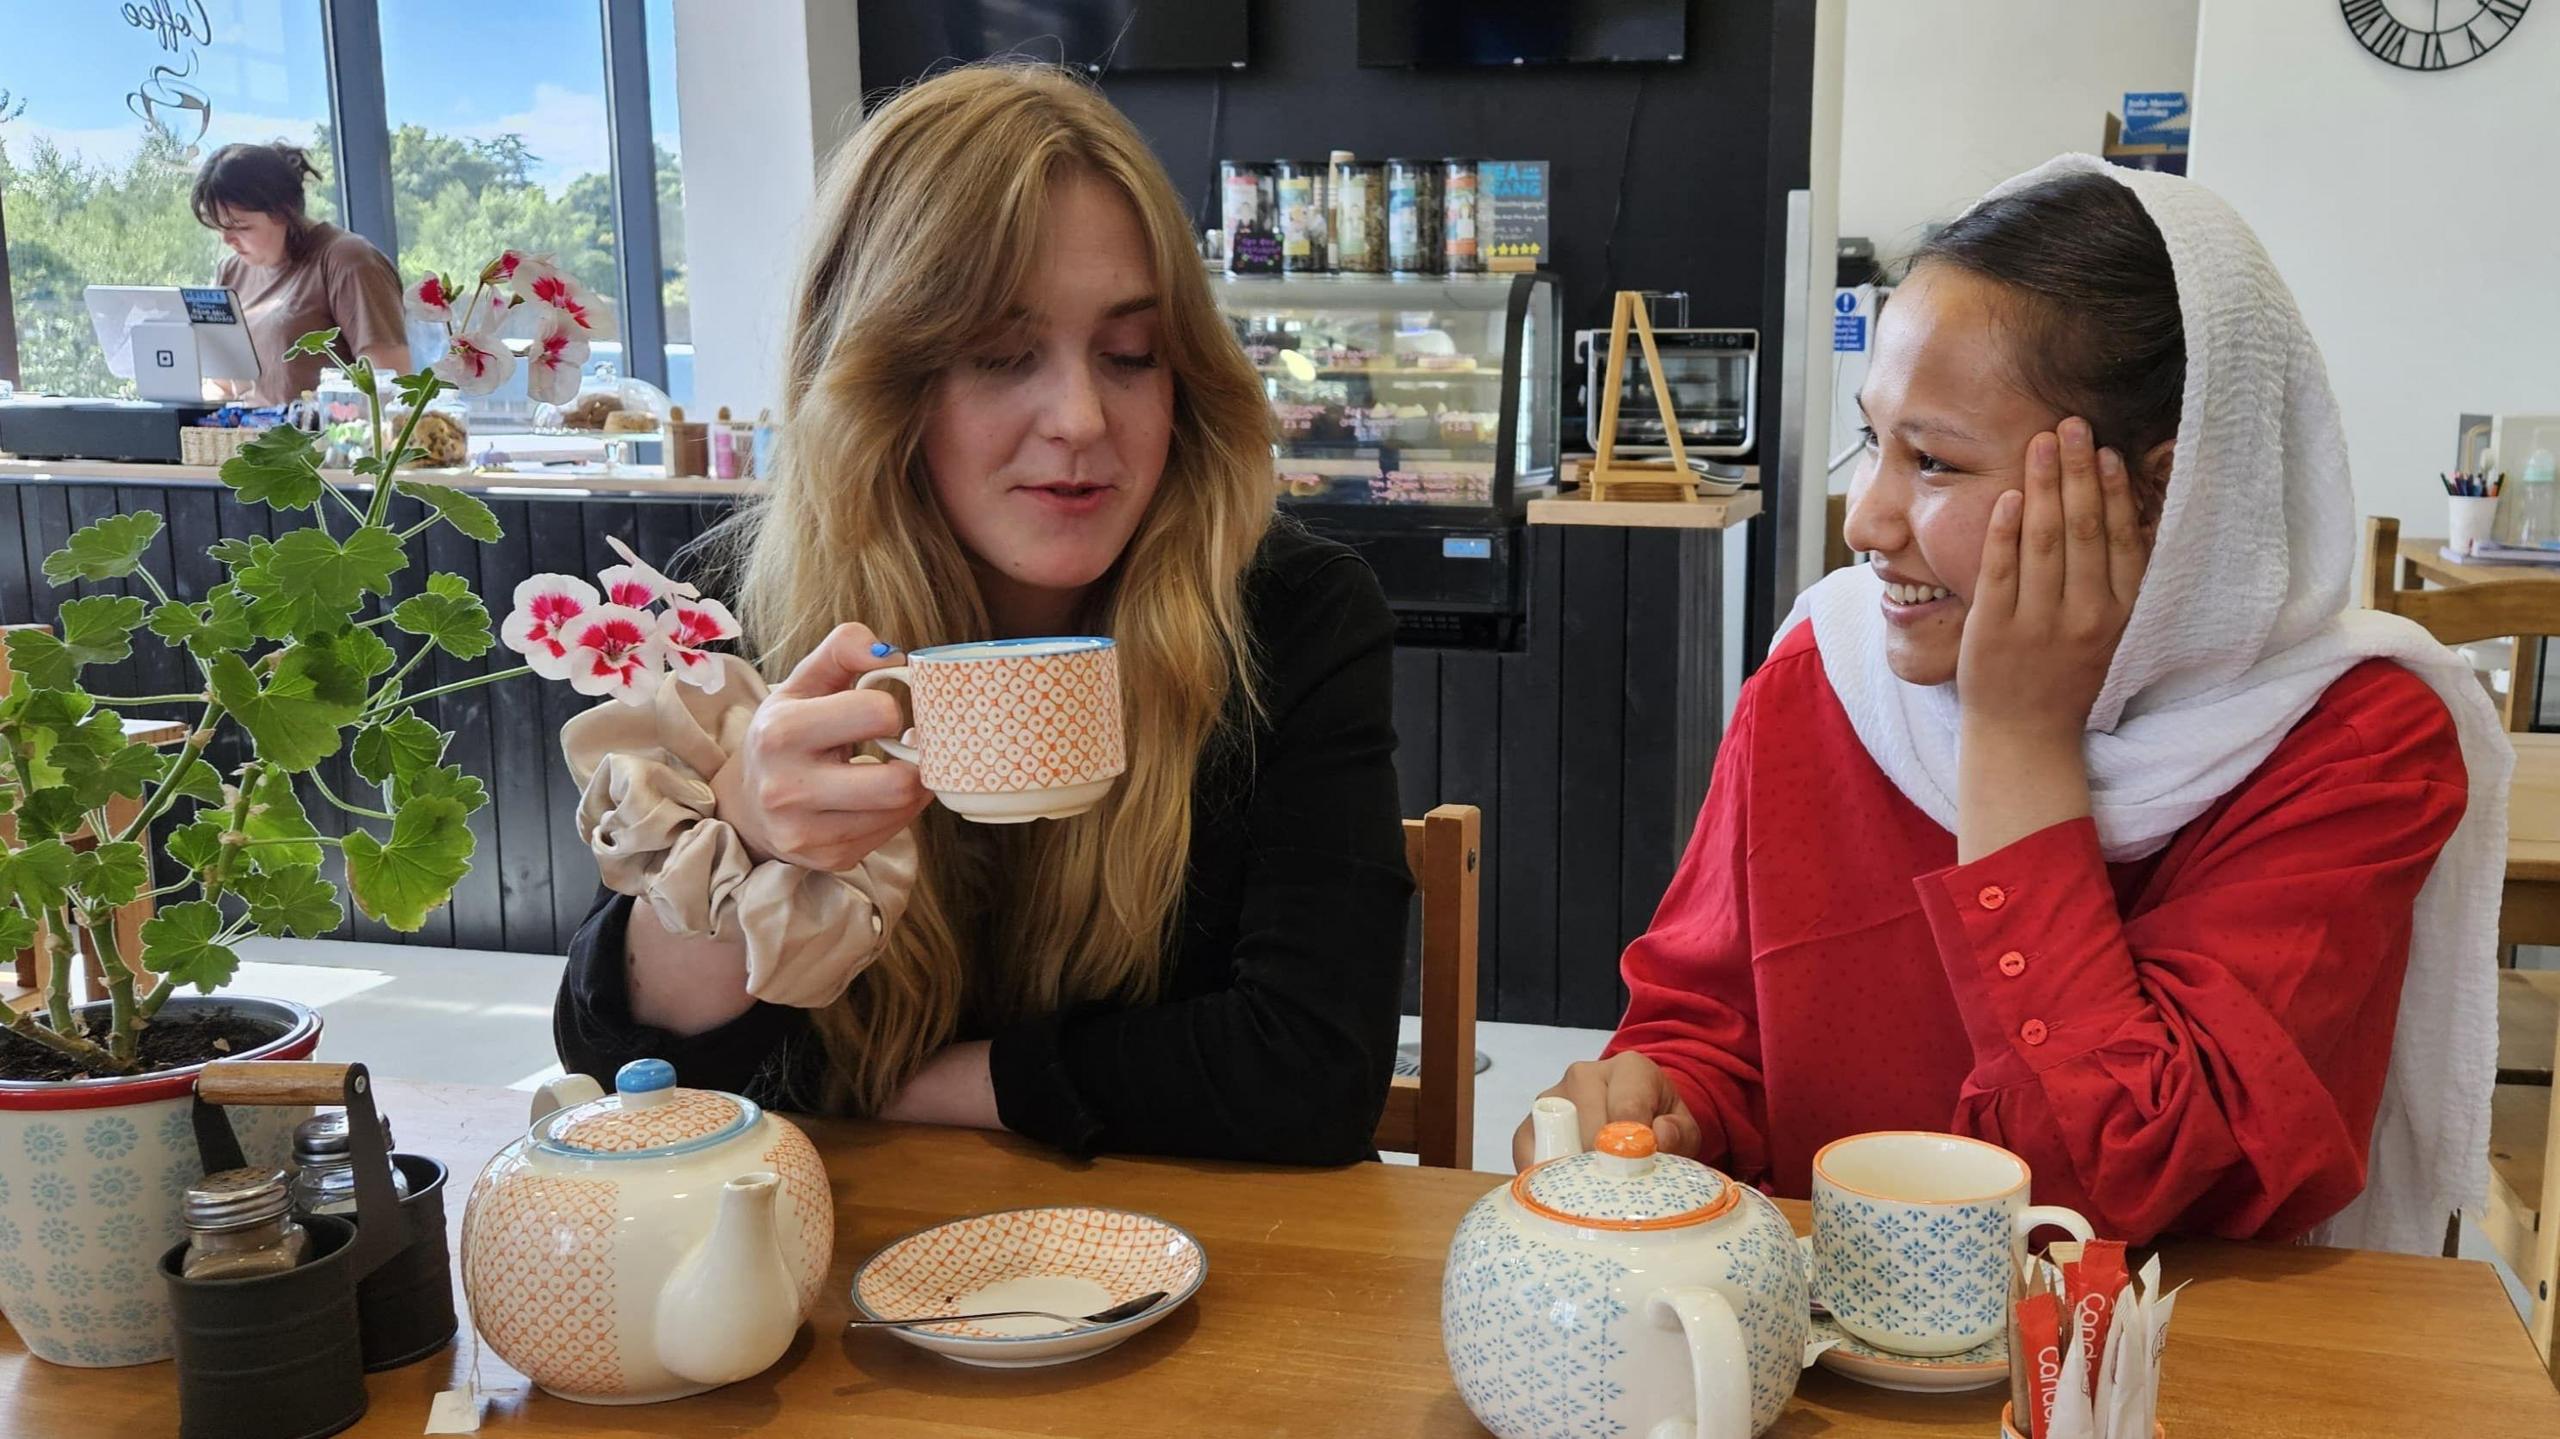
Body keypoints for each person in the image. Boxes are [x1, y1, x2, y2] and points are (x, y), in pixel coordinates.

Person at [1520, 156, 2511, 1254]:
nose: (1865, 521)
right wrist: (1665, 1097)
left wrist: (2018, 734)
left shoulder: (2351, 739)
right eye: (1872, 442)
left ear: (2157, 490)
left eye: (1934, 461)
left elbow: (2112, 1192)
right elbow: (1710, 1024)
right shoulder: (1825, 674)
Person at [549, 63, 1412, 1165]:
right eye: (1002, 355)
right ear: (880, 381)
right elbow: (632, 1060)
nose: (1080, 416)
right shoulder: (745, 612)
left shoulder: (1287, 615)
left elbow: (1309, 1072)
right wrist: (746, 833)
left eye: (1129, 355)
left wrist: (942, 1083)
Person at [194, 141, 409, 404]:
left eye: (240, 226)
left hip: (324, 441)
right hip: (247, 439)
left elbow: (391, 383)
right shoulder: (230, 273)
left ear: (283, 212)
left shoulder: (348, 260)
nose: (226, 240)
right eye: (218, 227)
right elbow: (225, 387)